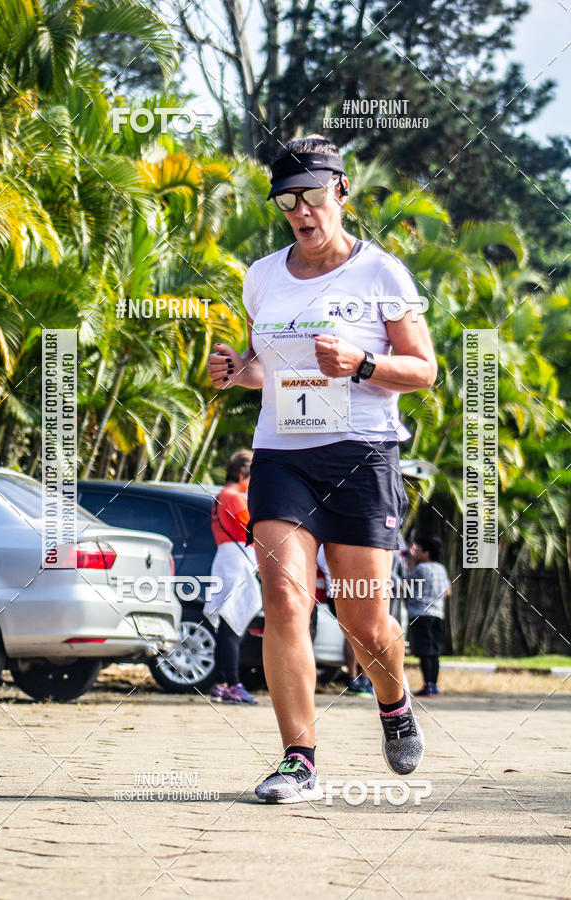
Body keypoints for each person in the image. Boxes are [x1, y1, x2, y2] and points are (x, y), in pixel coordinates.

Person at [208, 135, 437, 803]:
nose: (302, 212)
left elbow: (422, 369)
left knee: (362, 618)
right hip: (283, 454)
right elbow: (262, 369)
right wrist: (235, 372)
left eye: (313, 197)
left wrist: (362, 366)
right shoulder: (261, 275)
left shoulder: (382, 273)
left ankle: (393, 701)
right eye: (288, 201)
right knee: (284, 600)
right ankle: (297, 759)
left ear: (341, 193)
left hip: (363, 453)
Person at [204, 450, 262, 705]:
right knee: (231, 628)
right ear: (241, 474)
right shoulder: (233, 497)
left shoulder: (221, 497)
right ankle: (232, 684)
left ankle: (221, 683)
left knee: (228, 626)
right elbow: (253, 528)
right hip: (236, 563)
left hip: (226, 560)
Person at [317, 545, 373, 695]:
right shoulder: (334, 544)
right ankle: (359, 678)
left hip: (340, 592)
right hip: (346, 591)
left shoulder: (324, 545)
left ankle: (357, 678)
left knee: (354, 635)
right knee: (357, 635)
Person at [404, 536, 451, 696]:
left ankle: (427, 685)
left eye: (418, 550)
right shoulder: (441, 569)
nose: (415, 552)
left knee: (424, 651)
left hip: (421, 615)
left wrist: (410, 561)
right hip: (438, 614)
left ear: (426, 553)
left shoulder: (421, 568)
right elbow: (447, 591)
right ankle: (433, 685)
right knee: (434, 652)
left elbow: (406, 583)